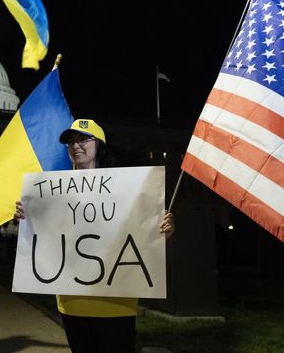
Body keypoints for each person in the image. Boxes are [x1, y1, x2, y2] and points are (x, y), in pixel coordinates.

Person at [15, 119, 175, 353]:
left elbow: (142, 237)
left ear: (99, 144)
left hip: (116, 302)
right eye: (70, 142)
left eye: (83, 139)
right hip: (72, 303)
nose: (75, 145)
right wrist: (27, 217)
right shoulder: (51, 189)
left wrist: (164, 230)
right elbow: (45, 237)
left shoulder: (126, 186)